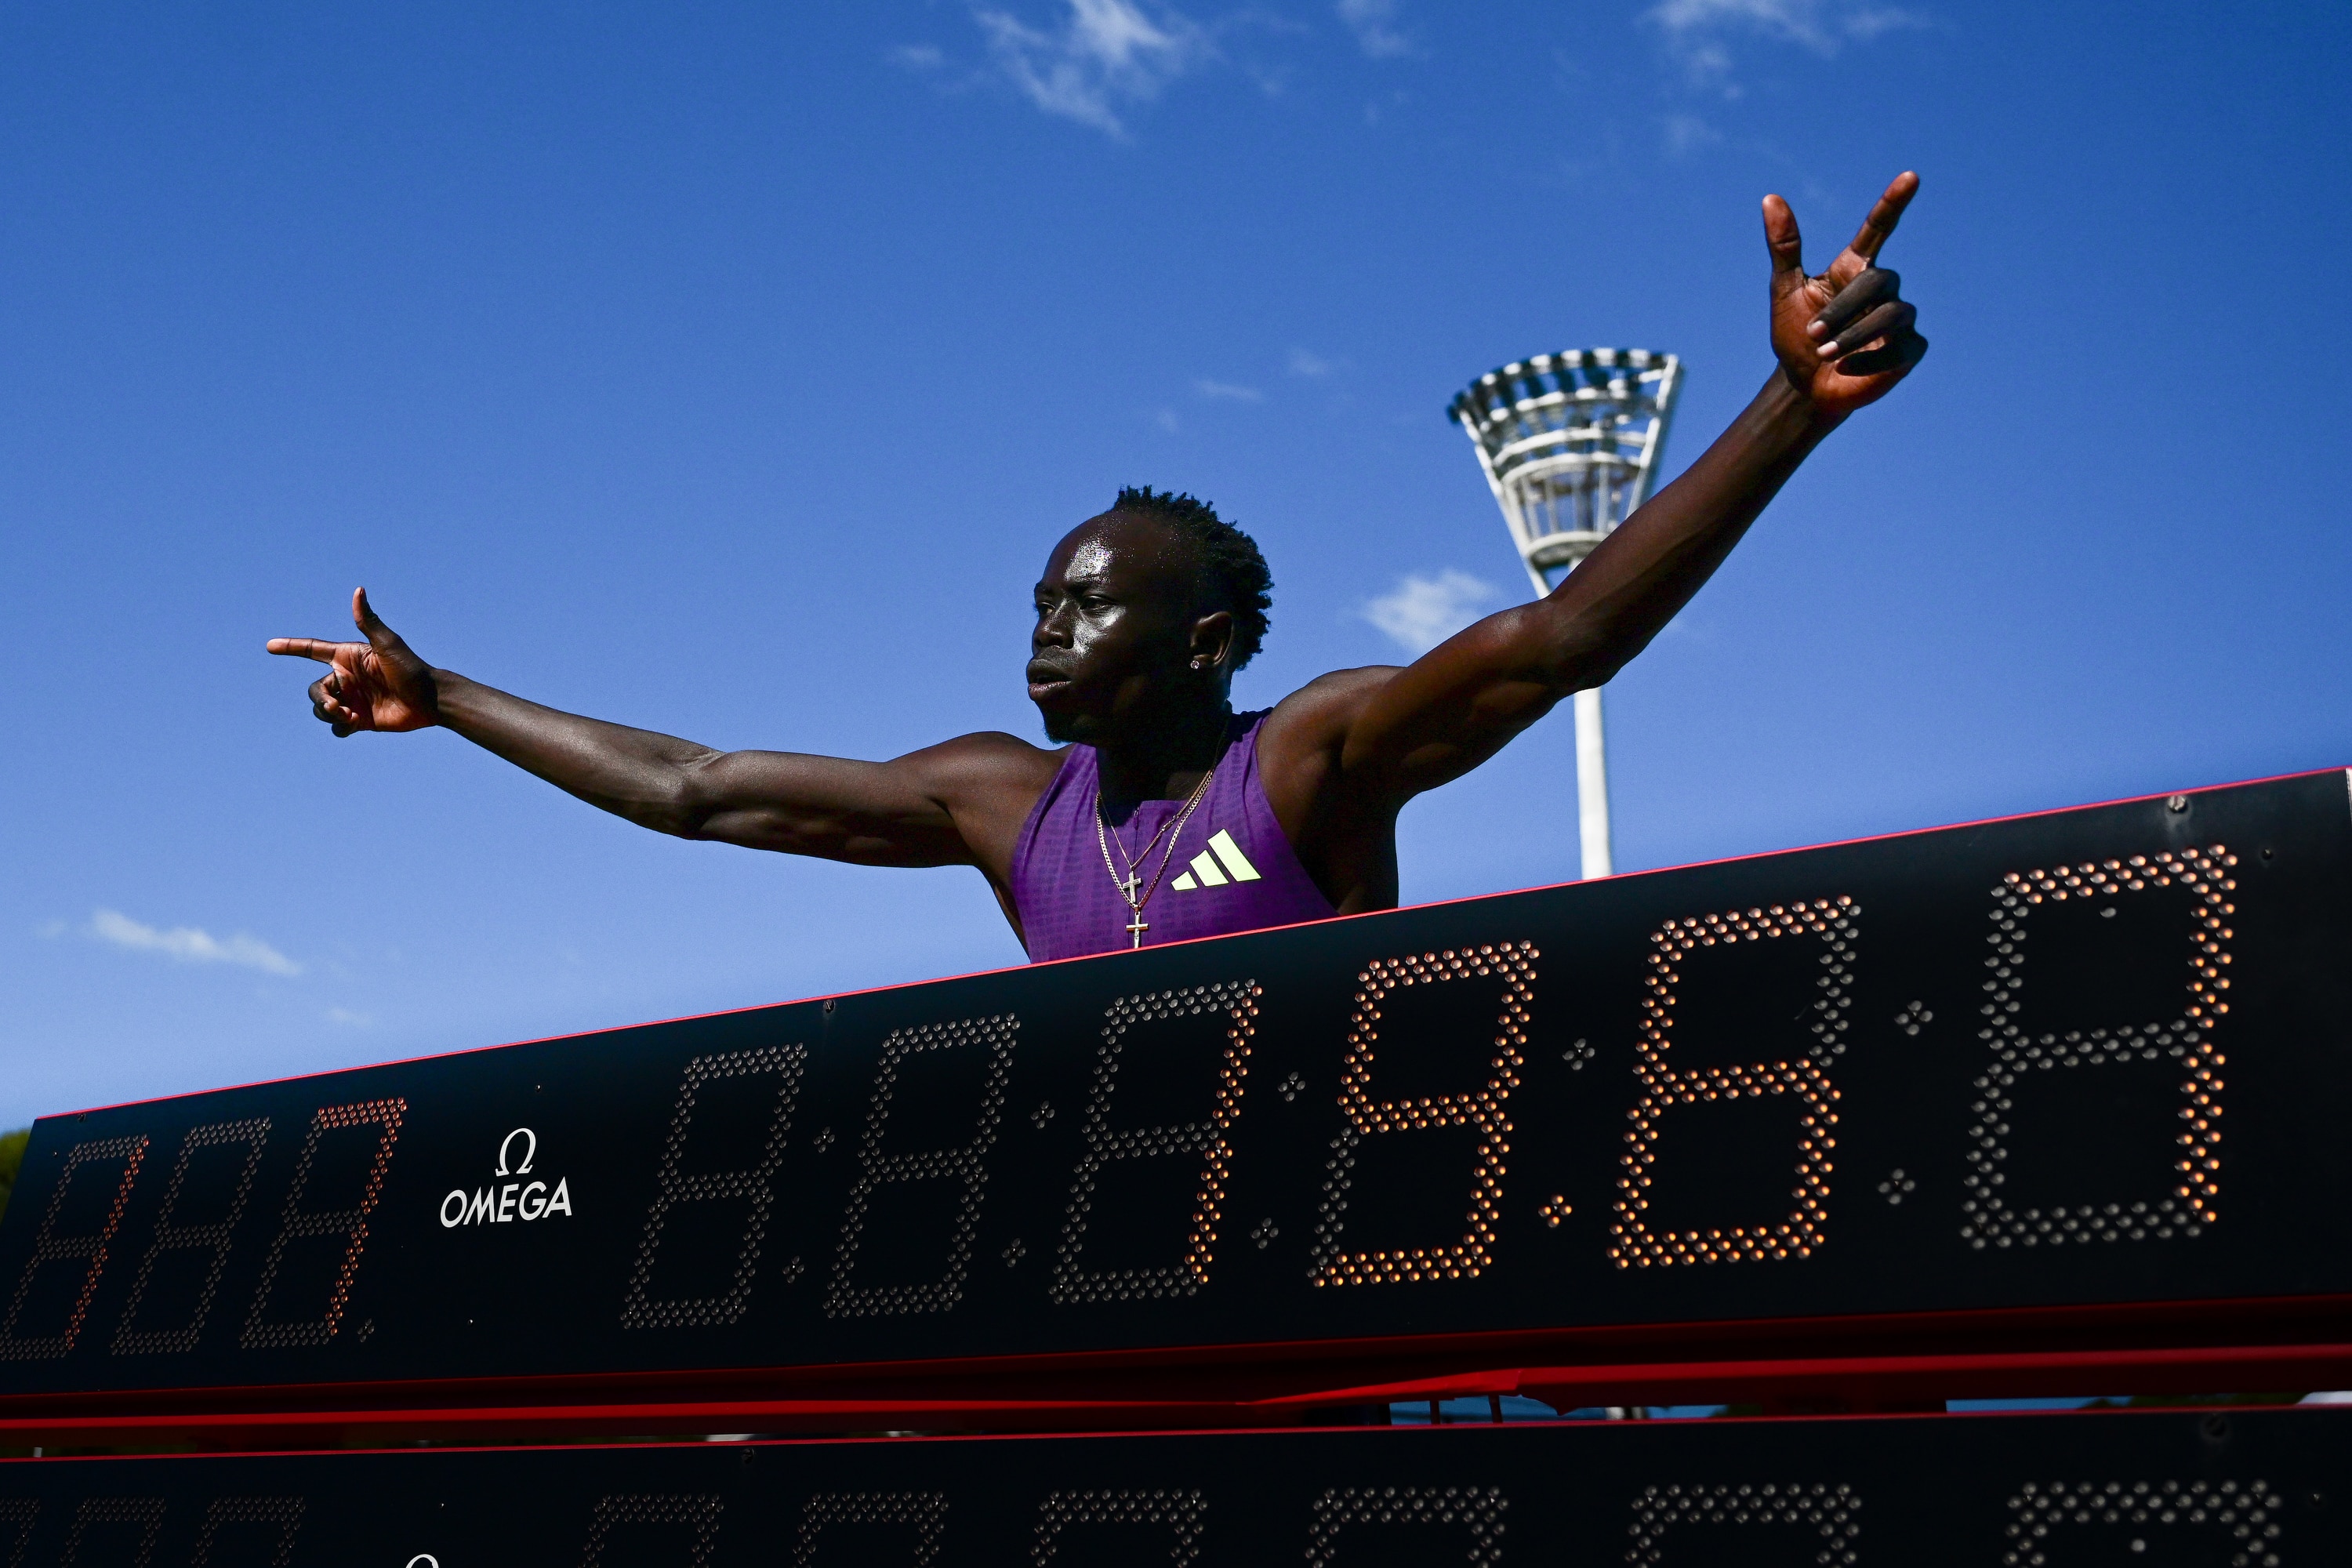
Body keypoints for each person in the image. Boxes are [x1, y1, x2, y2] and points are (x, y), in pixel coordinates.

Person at [270, 176, 1929, 963]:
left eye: (1087, 604)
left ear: (1204, 640)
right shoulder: (1008, 805)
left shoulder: (1313, 753)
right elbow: (697, 787)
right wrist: (449, 695)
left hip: (1322, 1336)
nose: (1045, 630)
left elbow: (1563, 636)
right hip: (1117, 1346)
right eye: (1040, 601)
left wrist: (1791, 405)